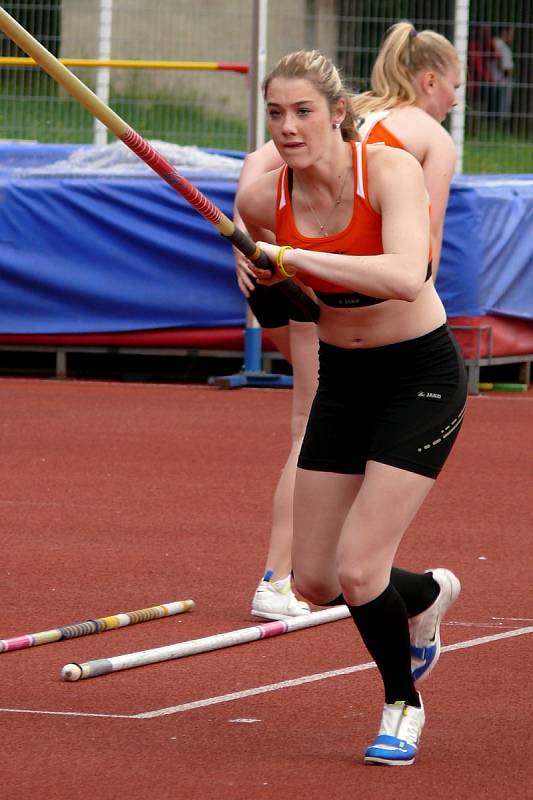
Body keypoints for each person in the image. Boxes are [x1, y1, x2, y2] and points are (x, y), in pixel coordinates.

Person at [236, 48, 468, 766]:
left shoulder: (387, 170)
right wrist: (266, 289)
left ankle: (402, 703)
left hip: (419, 376)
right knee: (313, 580)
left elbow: (405, 274)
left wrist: (295, 261)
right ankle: (426, 593)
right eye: (275, 113)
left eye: (303, 111)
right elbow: (276, 303)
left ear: (338, 113)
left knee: (361, 570)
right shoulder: (261, 199)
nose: (287, 126)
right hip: (344, 376)